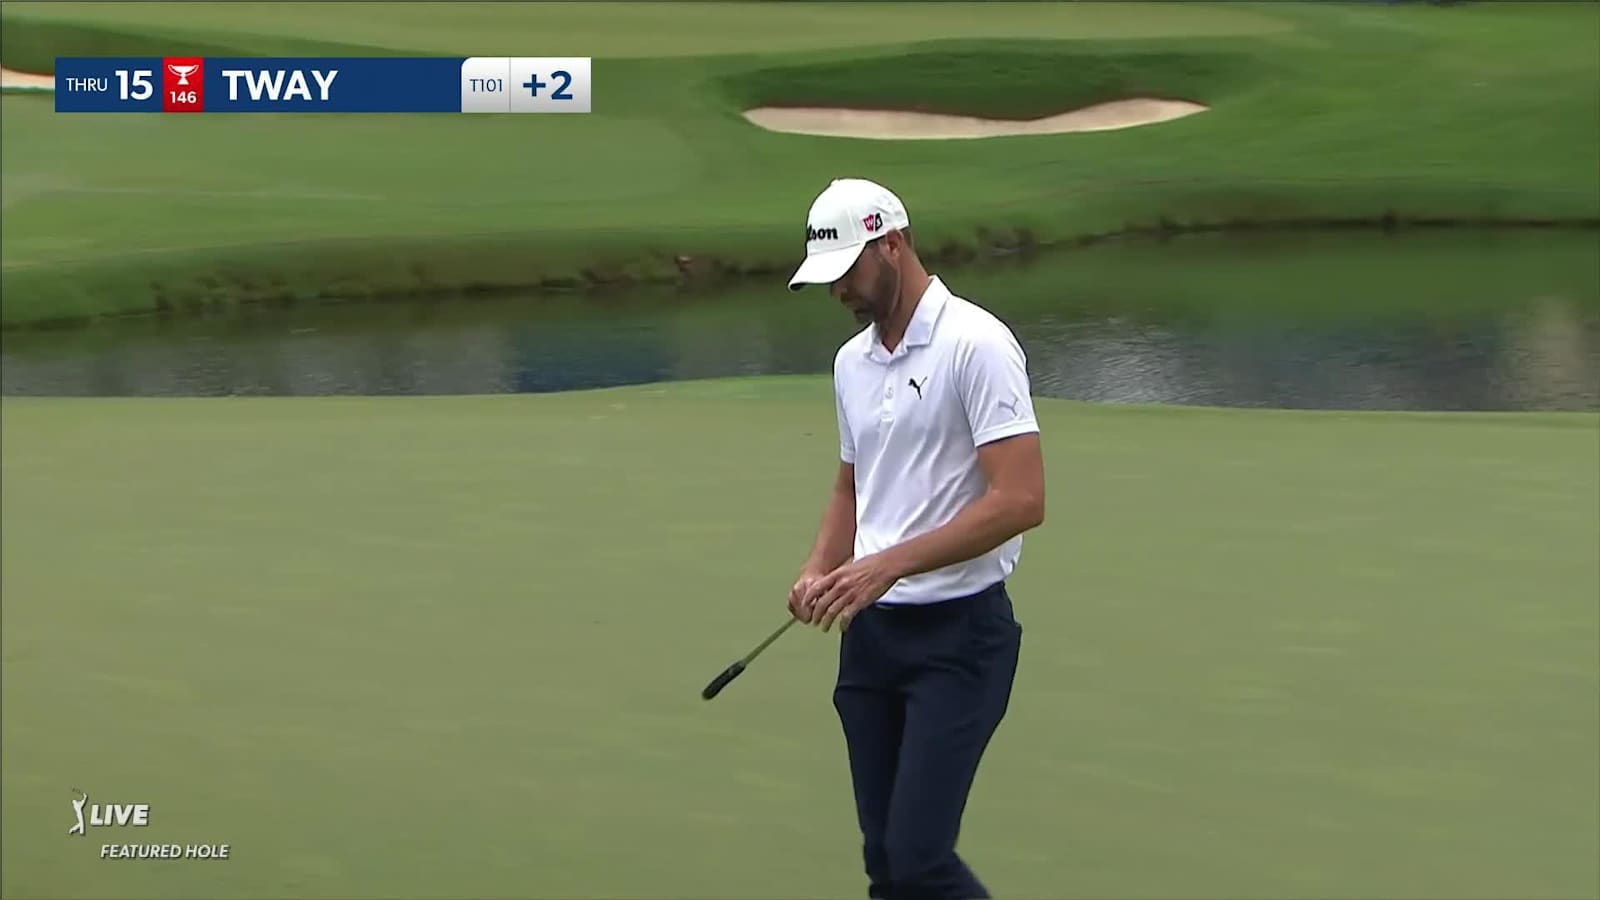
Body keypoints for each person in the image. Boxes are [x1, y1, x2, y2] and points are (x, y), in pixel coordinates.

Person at [784, 177, 1046, 900]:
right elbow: (852, 484)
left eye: (846, 273)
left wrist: (886, 566)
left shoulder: (977, 344)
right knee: (885, 865)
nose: (838, 293)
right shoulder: (852, 364)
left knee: (920, 857)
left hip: (958, 639)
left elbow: (1022, 499)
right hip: (871, 641)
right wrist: (819, 568)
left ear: (891, 244)